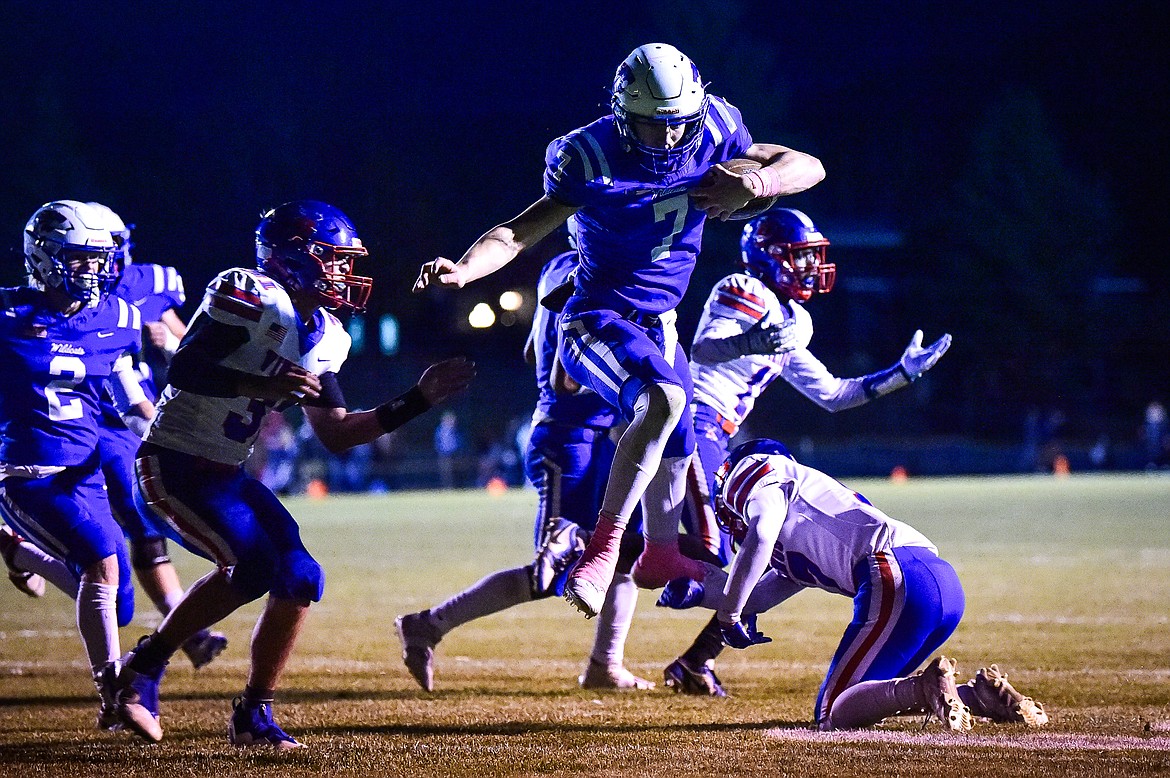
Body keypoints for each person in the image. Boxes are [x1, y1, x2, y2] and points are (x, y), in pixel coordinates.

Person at [415, 43, 825, 619]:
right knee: (663, 400)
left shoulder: (716, 128)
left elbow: (809, 165)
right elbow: (516, 233)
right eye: (651, 128)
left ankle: (659, 553)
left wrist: (757, 185)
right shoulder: (588, 156)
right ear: (620, 114)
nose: (666, 140)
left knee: (679, 453)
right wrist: (464, 268)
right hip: (596, 318)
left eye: (677, 126)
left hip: (662, 325)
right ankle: (604, 552)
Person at [109, 200, 475, 748]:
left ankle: (253, 714)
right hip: (172, 463)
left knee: (301, 577)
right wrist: (260, 386)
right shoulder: (249, 295)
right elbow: (184, 367)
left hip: (227, 474)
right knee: (253, 567)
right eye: (331, 259)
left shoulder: (328, 335)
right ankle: (142, 669)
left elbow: (337, 432)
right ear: (291, 257)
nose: (342, 272)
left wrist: (417, 400)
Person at [664, 207, 952, 696]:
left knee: (756, 551)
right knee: (723, 545)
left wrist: (900, 374)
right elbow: (706, 351)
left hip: (720, 433)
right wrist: (751, 340)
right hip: (695, 424)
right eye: (800, 257)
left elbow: (833, 395)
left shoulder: (793, 319)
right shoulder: (744, 290)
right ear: (770, 256)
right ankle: (612, 558)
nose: (811, 268)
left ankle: (688, 648)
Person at [397, 246, 681, 692]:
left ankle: (605, 665)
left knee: (621, 554)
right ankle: (428, 624)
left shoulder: (556, 268)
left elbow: (533, 350)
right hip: (568, 438)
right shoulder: (597, 269)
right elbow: (562, 376)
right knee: (551, 570)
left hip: (588, 436)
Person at [658, 438, 1048, 731]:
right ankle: (978, 696)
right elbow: (757, 594)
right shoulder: (796, 534)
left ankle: (926, 684)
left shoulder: (755, 472)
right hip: (936, 583)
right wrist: (700, 592)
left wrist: (727, 615)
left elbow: (760, 532)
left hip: (894, 575)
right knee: (869, 698)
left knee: (833, 713)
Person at [0, 200, 157, 736]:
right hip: (27, 472)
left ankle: (19, 553)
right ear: (42, 257)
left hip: (83, 476)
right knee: (102, 566)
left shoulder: (117, 316)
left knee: (122, 605)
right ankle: (116, 691)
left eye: (99, 259)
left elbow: (123, 380)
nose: (94, 270)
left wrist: (153, 425)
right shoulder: (7, 317)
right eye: (79, 258)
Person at [88, 203, 229, 669]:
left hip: (132, 421)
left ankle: (182, 627)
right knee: (112, 528)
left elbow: (189, 345)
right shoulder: (64, 301)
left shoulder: (146, 284)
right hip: (83, 420)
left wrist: (166, 344)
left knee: (144, 523)